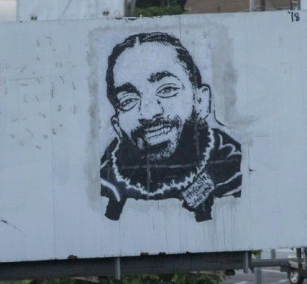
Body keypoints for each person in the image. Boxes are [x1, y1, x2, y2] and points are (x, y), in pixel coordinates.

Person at [100, 32, 242, 222]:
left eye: (167, 89)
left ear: (201, 101)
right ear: (117, 126)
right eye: (128, 100)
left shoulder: (234, 169)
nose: (148, 113)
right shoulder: (104, 184)